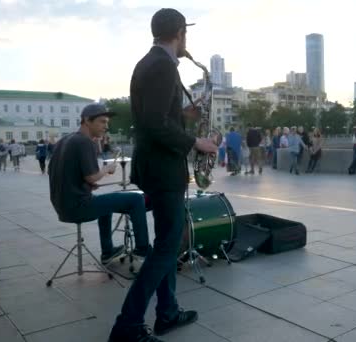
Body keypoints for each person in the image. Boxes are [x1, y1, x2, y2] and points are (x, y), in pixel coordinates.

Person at [108, 9, 218, 342]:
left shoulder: (149, 63)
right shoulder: (162, 66)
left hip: (155, 166)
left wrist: (184, 114)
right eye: (186, 34)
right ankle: (127, 326)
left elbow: (154, 117)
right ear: (180, 32)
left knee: (167, 242)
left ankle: (167, 312)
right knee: (169, 246)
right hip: (163, 168)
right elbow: (155, 125)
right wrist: (196, 140)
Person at [48, 104, 151, 265]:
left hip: (62, 207)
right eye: (102, 122)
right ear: (87, 121)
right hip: (78, 207)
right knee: (136, 200)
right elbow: (92, 177)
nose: (106, 126)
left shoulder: (65, 140)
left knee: (105, 205)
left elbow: (62, 174)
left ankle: (108, 251)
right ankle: (143, 249)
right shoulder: (84, 142)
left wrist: (84, 185)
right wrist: (106, 169)